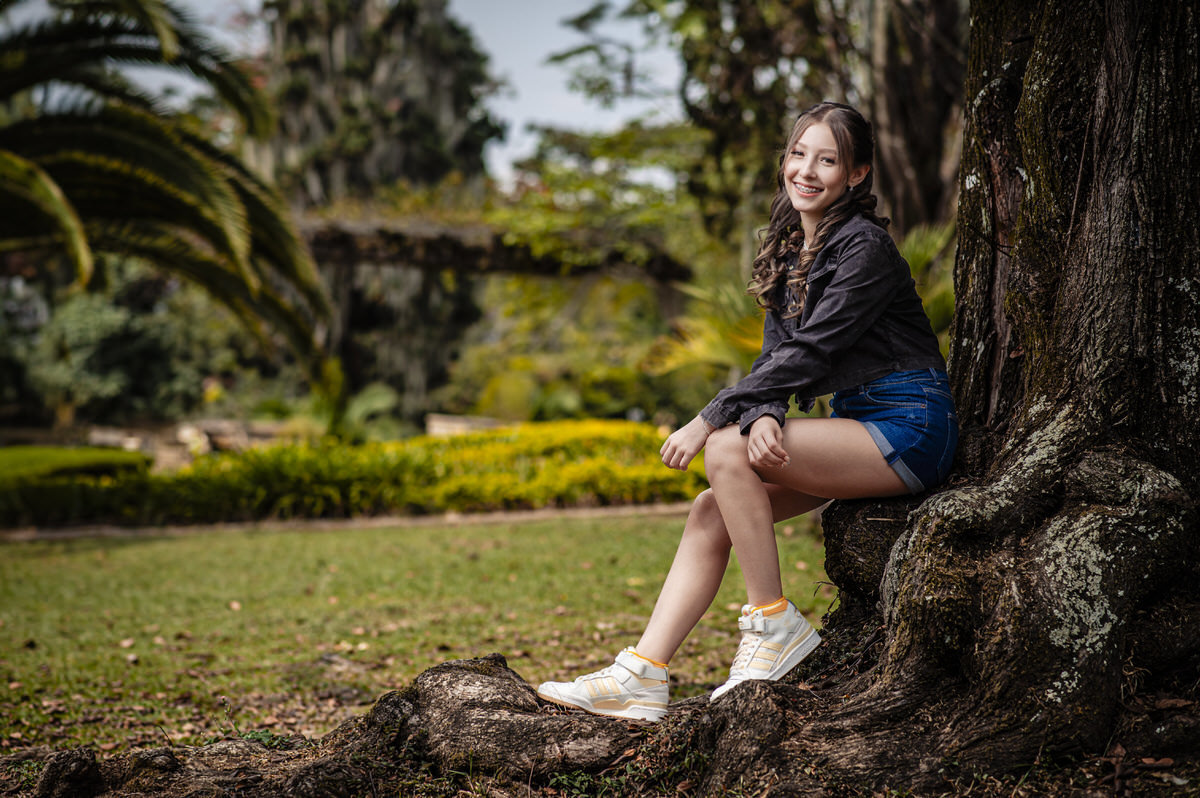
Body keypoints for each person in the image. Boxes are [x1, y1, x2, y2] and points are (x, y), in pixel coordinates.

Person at [536, 101, 958, 722]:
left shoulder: (864, 248)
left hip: (908, 426)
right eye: (798, 154)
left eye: (828, 159)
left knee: (723, 449)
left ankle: (772, 623)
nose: (807, 170)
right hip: (848, 427)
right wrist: (762, 415)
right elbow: (779, 358)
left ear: (857, 174)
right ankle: (643, 674)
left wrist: (710, 418)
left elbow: (816, 350)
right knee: (711, 510)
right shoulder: (790, 248)